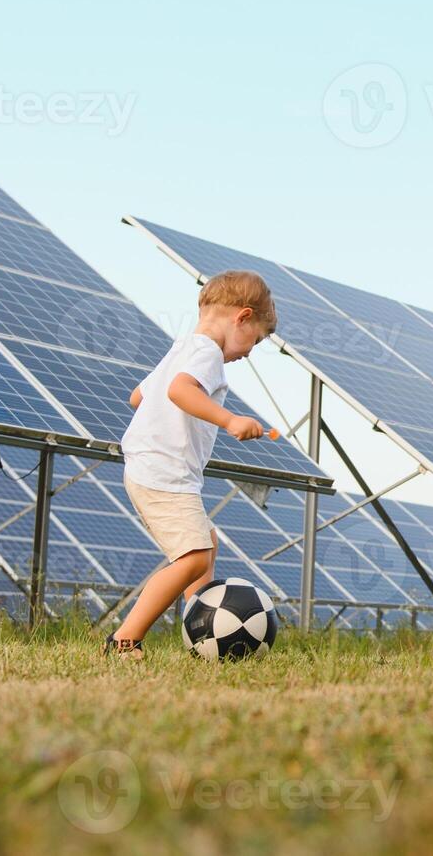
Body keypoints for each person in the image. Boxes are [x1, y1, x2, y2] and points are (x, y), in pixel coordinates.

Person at [105, 270, 277, 657]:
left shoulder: (183, 347)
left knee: (206, 542)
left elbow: (138, 396)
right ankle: (124, 640)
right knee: (194, 556)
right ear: (243, 317)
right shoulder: (207, 353)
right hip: (164, 471)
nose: (250, 350)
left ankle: (200, 622)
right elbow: (179, 390)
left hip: (153, 467)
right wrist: (229, 419)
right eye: (257, 339)